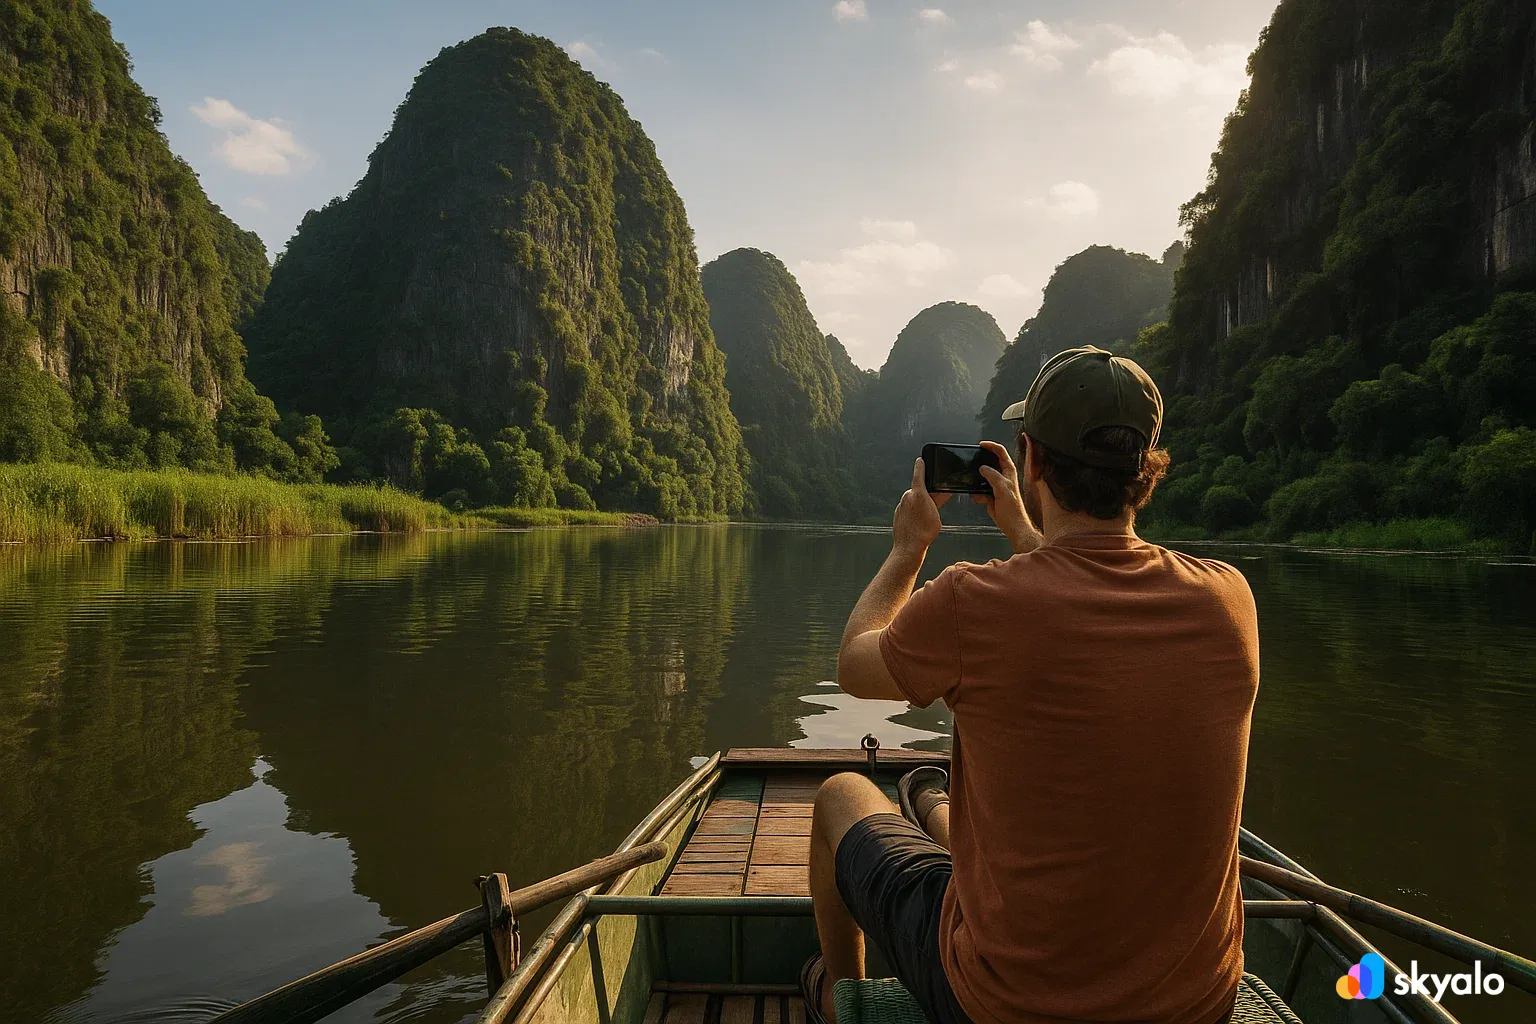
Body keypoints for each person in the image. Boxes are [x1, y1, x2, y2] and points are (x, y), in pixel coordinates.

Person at [802, 347, 1260, 1024]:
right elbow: (1085, 590)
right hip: (1197, 1006)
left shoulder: (972, 602)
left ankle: (846, 1000)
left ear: (1033, 460)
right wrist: (1021, 527)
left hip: (1005, 1006)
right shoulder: (1228, 601)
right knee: (957, 818)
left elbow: (855, 666)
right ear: (1146, 470)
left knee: (841, 796)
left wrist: (908, 550)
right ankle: (932, 809)